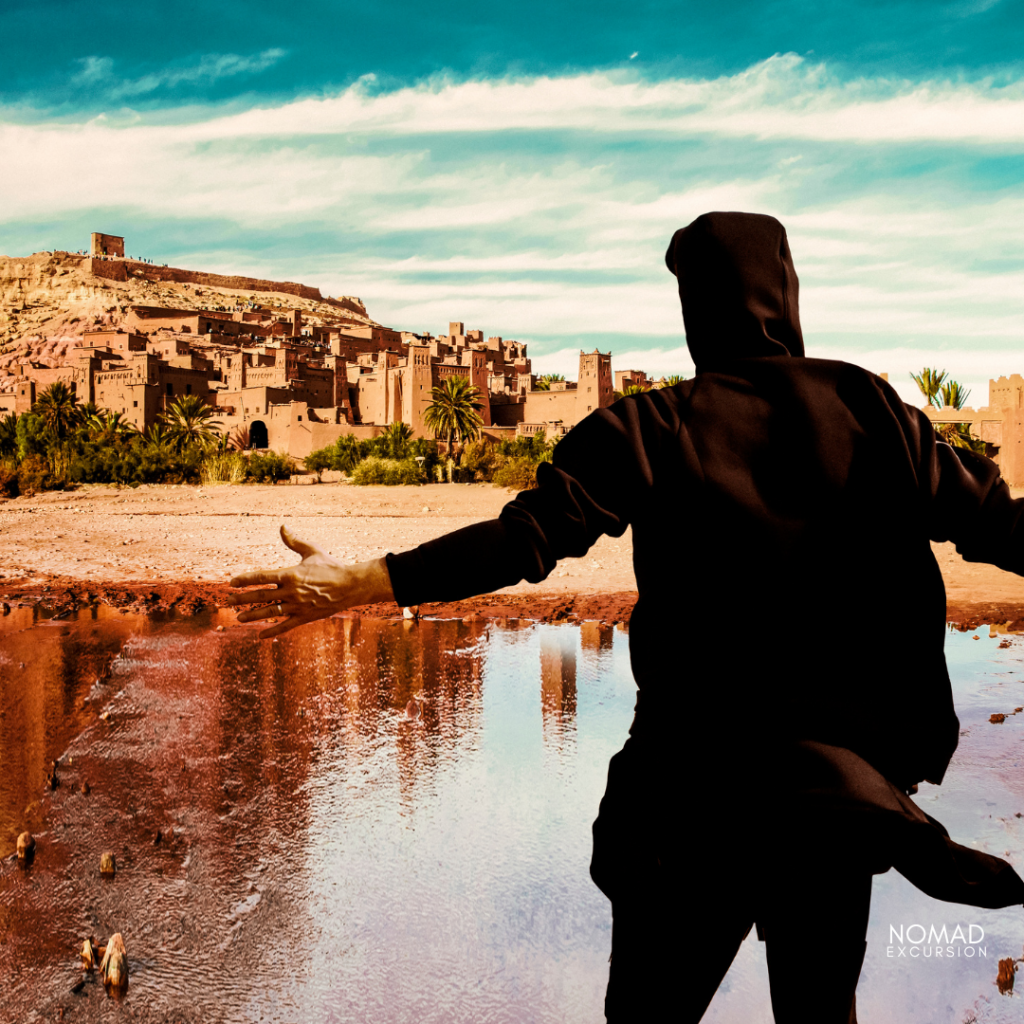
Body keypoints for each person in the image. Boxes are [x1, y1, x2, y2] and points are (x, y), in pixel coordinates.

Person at [227, 211, 1024, 1022]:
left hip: (688, 800)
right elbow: (1004, 529)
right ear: (784, 294)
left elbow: (525, 540)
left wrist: (366, 580)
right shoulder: (872, 411)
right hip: (840, 804)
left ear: (695, 307)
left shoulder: (653, 426)